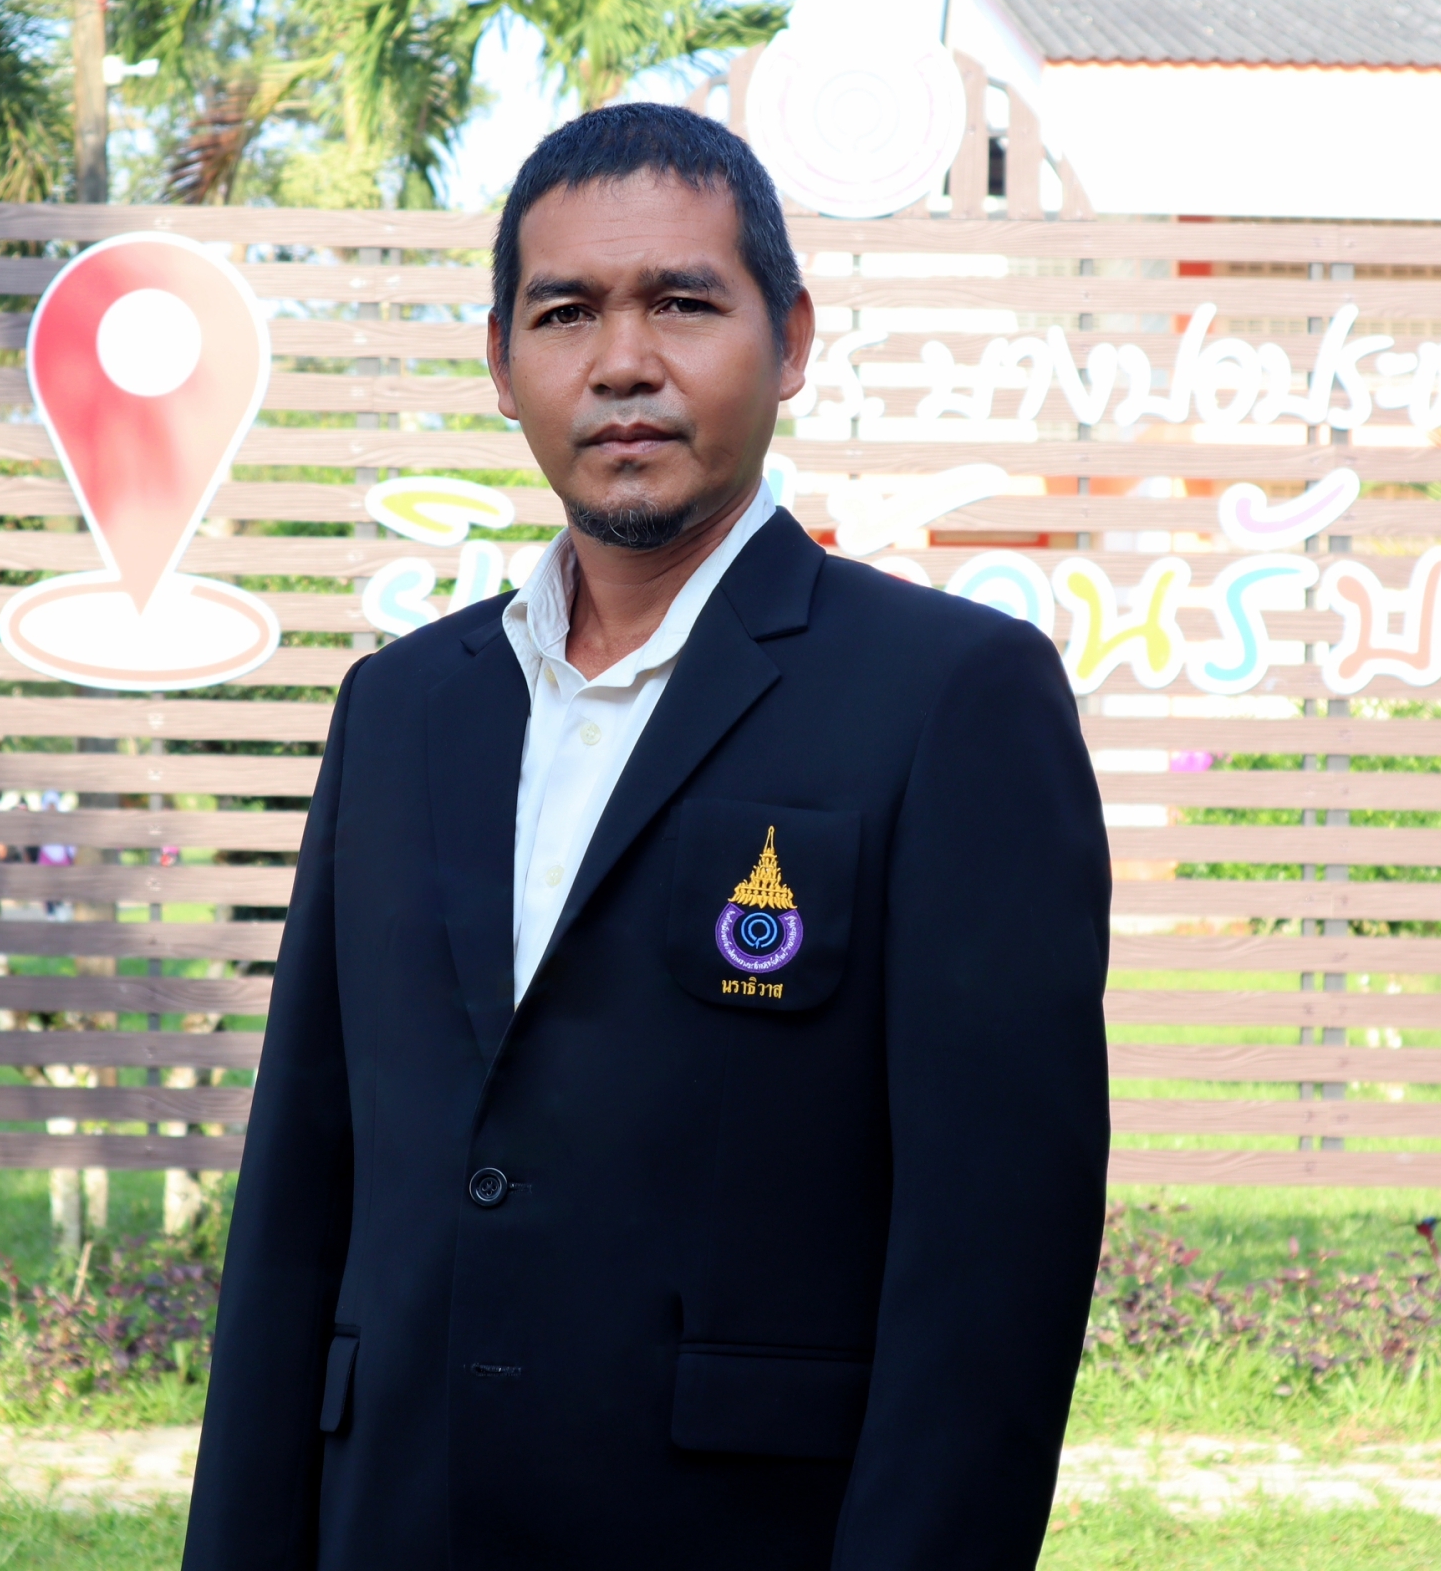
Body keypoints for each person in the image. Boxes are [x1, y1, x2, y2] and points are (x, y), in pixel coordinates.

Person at [184, 104, 1111, 1571]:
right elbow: (303, 1191)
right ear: (503, 365)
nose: (623, 360)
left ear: (789, 341)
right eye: (565, 314)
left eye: (682, 302)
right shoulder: (402, 709)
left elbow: (994, 1262)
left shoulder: (950, 699)